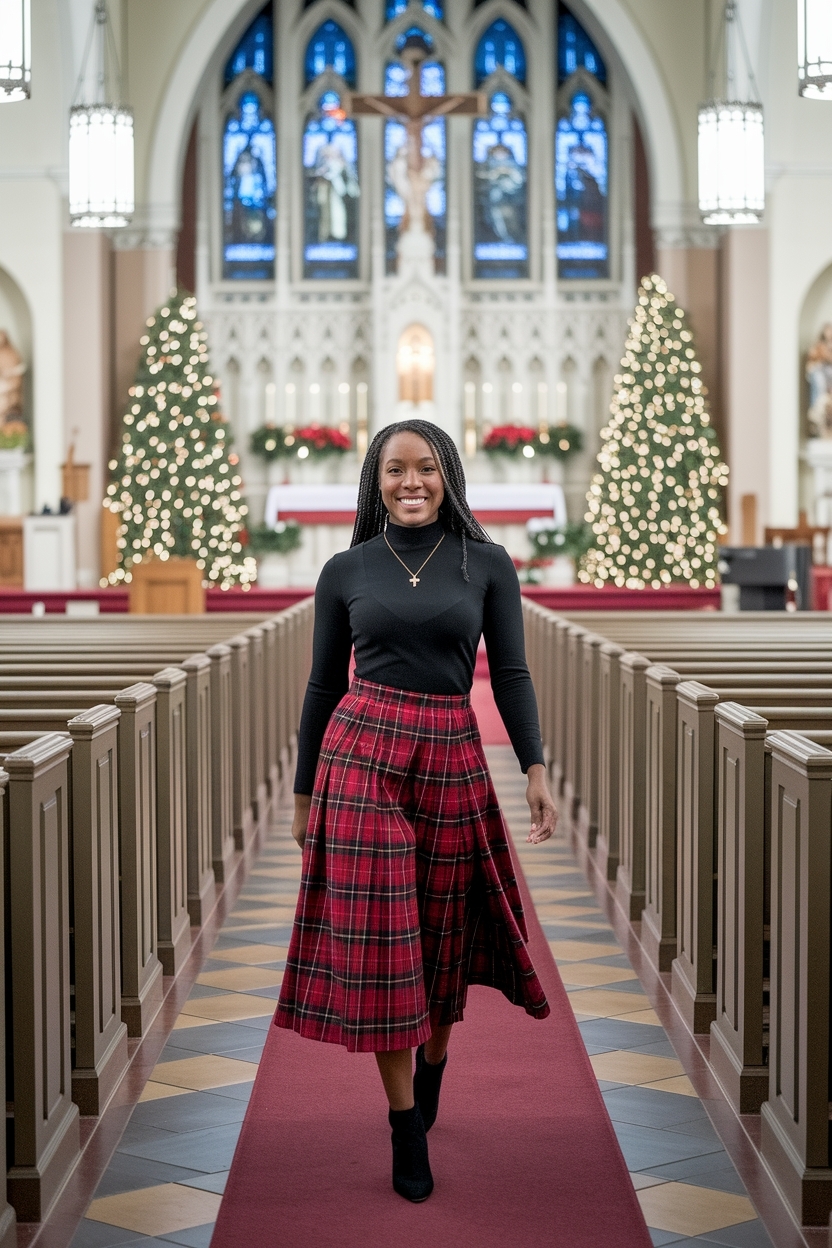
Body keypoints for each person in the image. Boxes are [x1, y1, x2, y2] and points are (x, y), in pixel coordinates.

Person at [274, 418, 557, 1203]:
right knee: (382, 936)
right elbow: (323, 686)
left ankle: (434, 1060)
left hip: (450, 751)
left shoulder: (488, 565)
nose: (410, 483)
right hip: (361, 750)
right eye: (395, 470)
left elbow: (514, 676)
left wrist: (534, 766)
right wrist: (303, 793)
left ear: (448, 476)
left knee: (439, 934)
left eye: (425, 469)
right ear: (374, 479)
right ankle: (404, 1123)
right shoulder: (345, 569)